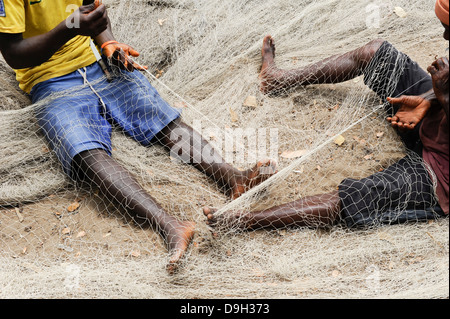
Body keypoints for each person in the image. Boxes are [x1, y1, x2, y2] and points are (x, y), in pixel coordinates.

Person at [0, 0, 277, 272]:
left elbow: (93, 15)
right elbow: (14, 53)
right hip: (50, 81)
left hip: (99, 66)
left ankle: (232, 177)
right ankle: (169, 225)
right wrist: (70, 27)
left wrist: (109, 43)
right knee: (86, 152)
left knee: (159, 119)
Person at [204, 0, 448, 231]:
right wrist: (428, 99)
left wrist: (444, 96)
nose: (446, 37)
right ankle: (277, 80)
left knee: (355, 197)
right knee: (375, 53)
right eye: (445, 29)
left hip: (440, 170)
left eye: (448, 29)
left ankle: (244, 220)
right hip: (432, 119)